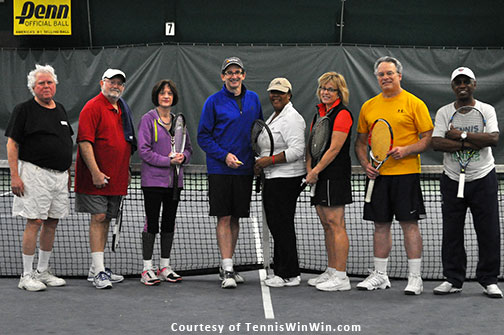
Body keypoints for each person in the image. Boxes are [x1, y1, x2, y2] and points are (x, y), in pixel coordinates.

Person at [354, 56, 433, 295]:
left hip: (406, 174)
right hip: (378, 177)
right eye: (381, 74)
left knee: (409, 225)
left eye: (390, 73)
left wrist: (406, 150)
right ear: (376, 78)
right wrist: (365, 163)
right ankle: (380, 275)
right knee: (380, 225)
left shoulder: (414, 103)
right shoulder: (369, 106)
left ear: (399, 75)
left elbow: (428, 138)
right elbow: (360, 142)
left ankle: (415, 278)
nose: (385, 77)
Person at [431, 67, 502, 298]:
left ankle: (489, 280)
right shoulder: (443, 112)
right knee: (452, 232)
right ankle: (453, 279)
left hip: (483, 178)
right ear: (453, 87)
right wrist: (471, 143)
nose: (462, 86)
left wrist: (460, 136)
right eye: (457, 82)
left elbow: (492, 138)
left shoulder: (486, 109)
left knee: (488, 231)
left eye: (466, 81)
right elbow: (437, 143)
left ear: (474, 84)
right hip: (452, 179)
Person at [5, 64, 73, 291]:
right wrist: (15, 176)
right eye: (41, 83)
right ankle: (26, 276)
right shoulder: (23, 110)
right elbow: (12, 144)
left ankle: (42, 271)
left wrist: (68, 173)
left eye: (49, 82)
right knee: (34, 221)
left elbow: (65, 143)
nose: (46, 86)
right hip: (34, 174)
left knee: (52, 222)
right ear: (33, 87)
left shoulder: (61, 109)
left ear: (55, 85)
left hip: (60, 177)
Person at [197, 56, 263, 289]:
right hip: (220, 170)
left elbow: (259, 131)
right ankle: (226, 269)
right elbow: (203, 137)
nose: (234, 76)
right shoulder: (212, 102)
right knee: (224, 217)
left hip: (244, 172)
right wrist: (224, 156)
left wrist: (258, 161)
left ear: (243, 75)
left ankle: (229, 265)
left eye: (238, 72)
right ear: (223, 76)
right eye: (229, 73)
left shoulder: (254, 99)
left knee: (235, 218)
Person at [75, 68, 137, 289]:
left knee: (107, 218)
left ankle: (96, 268)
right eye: (111, 81)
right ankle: (99, 271)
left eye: (120, 83)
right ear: (102, 83)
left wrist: (126, 170)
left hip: (117, 177)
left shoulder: (122, 109)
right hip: (95, 177)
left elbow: (125, 143)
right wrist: (95, 172)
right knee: (99, 217)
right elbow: (84, 142)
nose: (115, 86)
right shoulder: (92, 107)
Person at [137, 79, 193, 286]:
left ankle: (164, 267)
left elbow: (189, 149)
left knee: (169, 223)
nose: (166, 96)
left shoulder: (179, 122)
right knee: (152, 223)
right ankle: (146, 269)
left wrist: (182, 159)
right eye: (162, 93)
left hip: (174, 183)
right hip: (153, 182)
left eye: (169, 93)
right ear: (156, 97)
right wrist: (167, 161)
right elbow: (144, 151)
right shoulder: (148, 119)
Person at [254, 78, 306, 288]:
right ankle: (284, 270)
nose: (276, 95)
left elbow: (297, 150)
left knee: (282, 225)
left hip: (286, 179)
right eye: (273, 92)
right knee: (278, 225)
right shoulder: (275, 116)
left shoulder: (292, 118)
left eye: (280, 93)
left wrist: (268, 161)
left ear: (289, 95)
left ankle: (288, 274)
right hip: (273, 178)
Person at [305, 72, 354, 292]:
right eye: (323, 88)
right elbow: (312, 144)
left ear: (339, 92)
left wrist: (315, 170)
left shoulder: (342, 114)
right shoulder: (319, 113)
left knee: (336, 224)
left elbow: (334, 148)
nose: (326, 92)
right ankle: (332, 270)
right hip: (319, 175)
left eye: (331, 89)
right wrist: (309, 168)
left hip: (334, 176)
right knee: (326, 225)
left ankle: (341, 276)